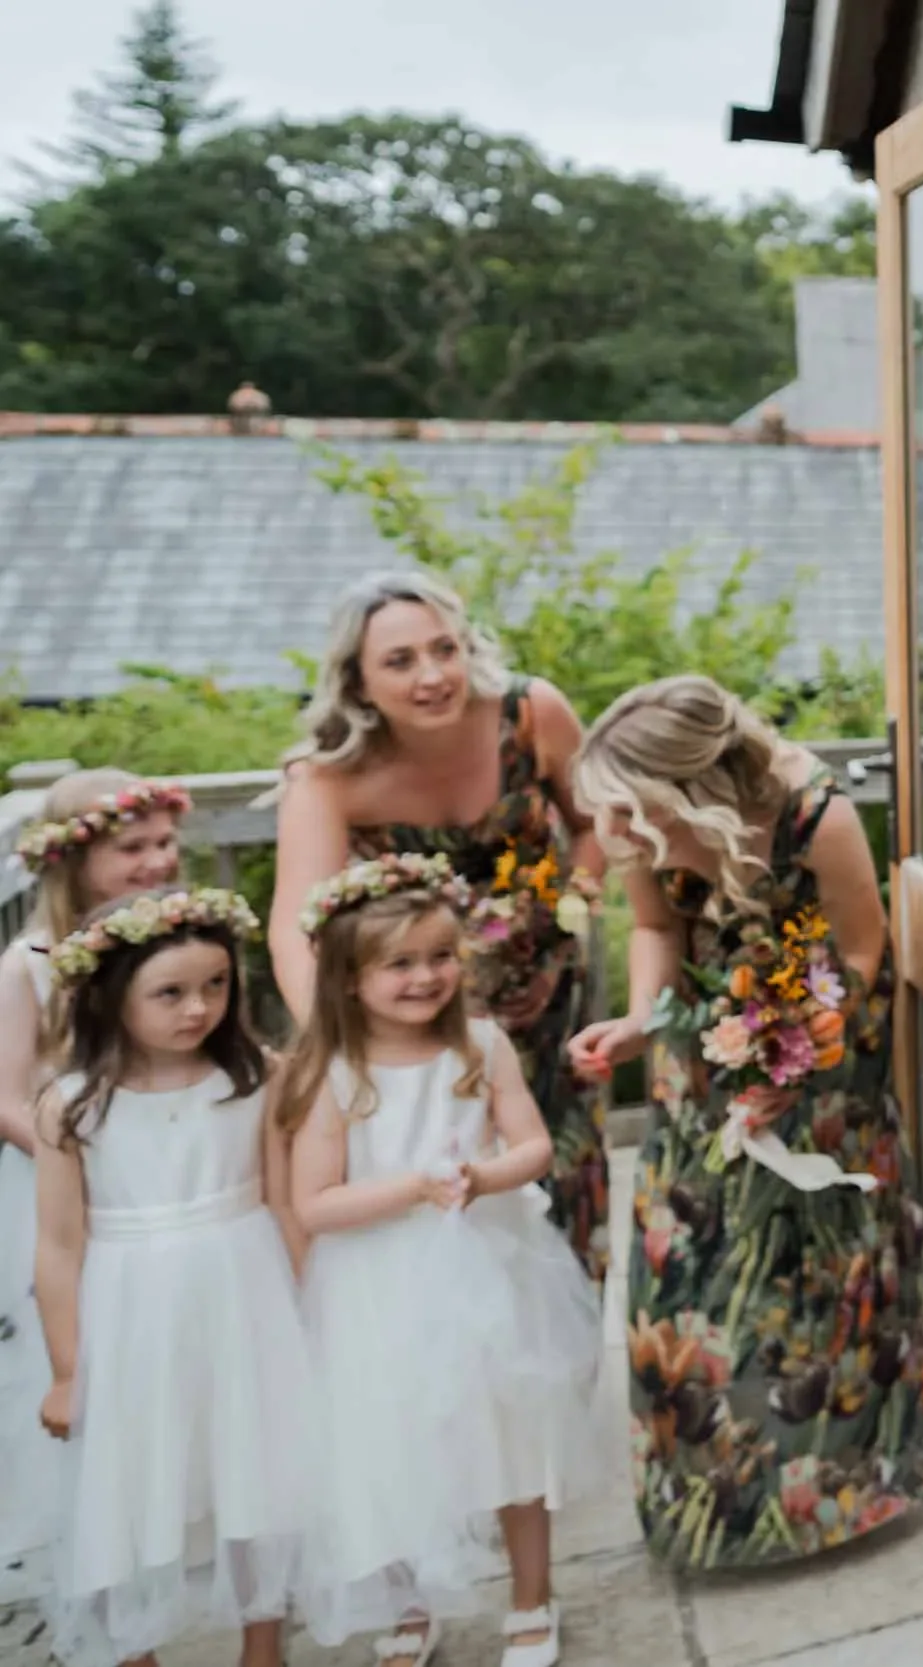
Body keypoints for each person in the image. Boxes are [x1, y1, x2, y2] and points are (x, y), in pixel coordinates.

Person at [564, 676, 923, 1571]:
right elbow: (657, 924)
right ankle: (715, 1501)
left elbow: (862, 950)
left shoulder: (815, 816)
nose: (621, 836)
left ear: (695, 788)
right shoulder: (641, 820)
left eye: (638, 816)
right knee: (689, 1273)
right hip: (700, 1045)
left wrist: (798, 1053)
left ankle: (837, 1492)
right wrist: (641, 1021)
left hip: (822, 1052)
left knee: (819, 1277)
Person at [283, 854, 604, 1667]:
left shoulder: (482, 1045)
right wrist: (415, 1188)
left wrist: (483, 1174)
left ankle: (531, 1597)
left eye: (439, 956)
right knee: (388, 1440)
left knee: (510, 1429)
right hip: (376, 1284)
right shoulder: (332, 1072)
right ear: (349, 980)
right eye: (399, 963)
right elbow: (314, 1202)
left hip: (490, 1268)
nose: (425, 976)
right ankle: (406, 1601)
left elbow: (531, 1145)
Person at [269, 571, 608, 1283]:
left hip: (549, 1010)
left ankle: (562, 1382)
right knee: (446, 1218)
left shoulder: (530, 712)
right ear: (357, 683)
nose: (432, 675)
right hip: (423, 1035)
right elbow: (298, 926)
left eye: (443, 649)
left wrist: (581, 888)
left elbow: (593, 822)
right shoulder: (329, 777)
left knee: (566, 1202)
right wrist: (339, 1046)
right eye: (400, 661)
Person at [29, 886, 313, 1667]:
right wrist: (64, 1370)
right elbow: (58, 1245)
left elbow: (286, 1202)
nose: (199, 1008)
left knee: (256, 1470)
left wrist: (311, 1307)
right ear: (111, 997)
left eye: (216, 985)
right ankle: (136, 1650)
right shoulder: (73, 1106)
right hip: (131, 1312)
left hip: (244, 1292)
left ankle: (264, 1645)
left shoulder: (258, 1077)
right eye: (172, 992)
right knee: (131, 1483)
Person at [0, 771, 191, 1592]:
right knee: (93, 1360)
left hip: (177, 1186)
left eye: (165, 843)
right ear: (74, 862)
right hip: (74, 1196)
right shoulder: (30, 962)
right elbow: (7, 1097)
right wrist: (76, 1158)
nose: (158, 861)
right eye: (133, 848)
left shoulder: (172, 939)